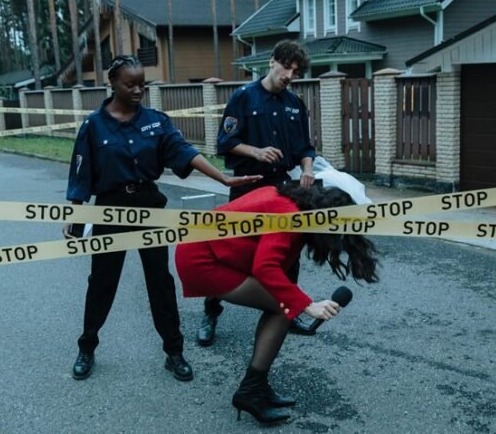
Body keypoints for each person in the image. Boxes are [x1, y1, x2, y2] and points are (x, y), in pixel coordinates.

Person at [63, 55, 260, 382]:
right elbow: (81, 173)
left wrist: (222, 180)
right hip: (109, 210)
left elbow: (185, 152)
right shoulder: (93, 126)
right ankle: (87, 347)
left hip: (149, 208)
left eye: (142, 83)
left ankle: (174, 351)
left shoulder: (156, 121)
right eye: (131, 84)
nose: (139, 90)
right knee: (102, 282)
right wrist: (75, 212)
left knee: (160, 282)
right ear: (112, 83)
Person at [175, 183, 379, 424]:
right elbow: (265, 267)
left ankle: (257, 387)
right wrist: (306, 304)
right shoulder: (289, 215)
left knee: (279, 306)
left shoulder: (291, 198)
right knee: (283, 309)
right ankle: (251, 391)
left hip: (209, 249)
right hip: (202, 259)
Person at [199, 39, 316, 345]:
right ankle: (211, 309)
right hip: (247, 185)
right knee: (229, 250)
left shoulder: (295, 103)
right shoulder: (243, 98)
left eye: (296, 71)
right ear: (272, 62)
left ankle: (290, 309)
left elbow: (306, 147)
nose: (289, 75)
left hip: (282, 187)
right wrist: (256, 151)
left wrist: (307, 168)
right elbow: (224, 143)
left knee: (289, 250)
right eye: (286, 67)